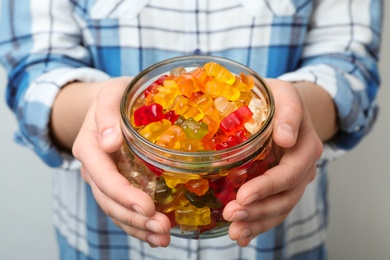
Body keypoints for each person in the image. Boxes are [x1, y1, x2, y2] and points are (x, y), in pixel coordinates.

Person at [0, 0, 382, 259]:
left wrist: (296, 112)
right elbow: (34, 72)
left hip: (280, 237)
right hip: (104, 243)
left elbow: (349, 67)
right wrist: (98, 112)